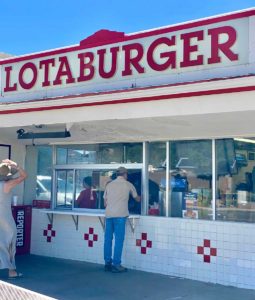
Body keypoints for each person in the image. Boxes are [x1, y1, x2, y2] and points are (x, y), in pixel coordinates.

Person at [103, 167, 140, 273]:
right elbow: (136, 198)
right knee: (118, 240)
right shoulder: (128, 184)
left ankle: (107, 263)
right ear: (125, 174)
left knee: (108, 240)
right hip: (120, 216)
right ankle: (117, 264)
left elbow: (105, 203)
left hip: (109, 215)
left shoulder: (109, 185)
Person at [0, 159, 27, 279]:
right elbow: (24, 176)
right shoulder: (7, 185)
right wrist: (17, 166)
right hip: (5, 220)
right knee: (10, 244)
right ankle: (12, 271)